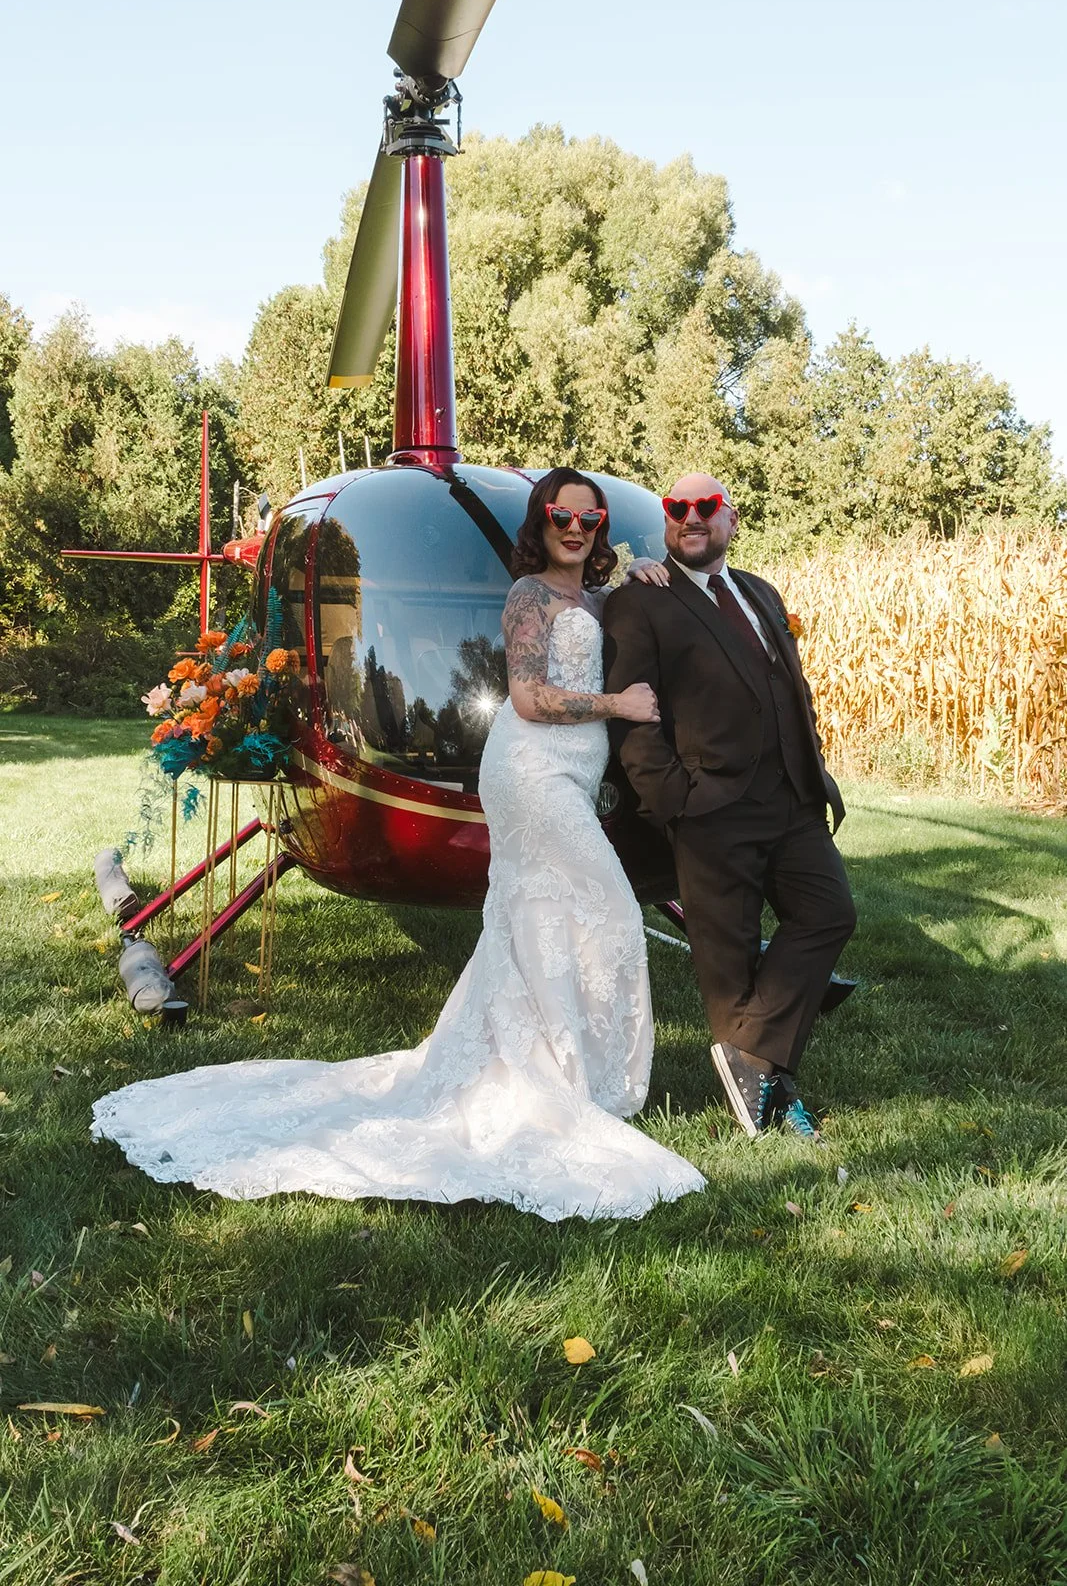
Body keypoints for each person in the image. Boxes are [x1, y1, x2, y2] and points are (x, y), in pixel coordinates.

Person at [92, 469, 706, 1220]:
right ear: (540, 525)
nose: (573, 528)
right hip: (531, 769)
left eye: (589, 517)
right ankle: (571, 1076)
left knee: (540, 916)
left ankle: (551, 1065)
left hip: (574, 775)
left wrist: (653, 570)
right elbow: (526, 697)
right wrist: (617, 703)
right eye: (558, 515)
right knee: (607, 909)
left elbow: (640, 614)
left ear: (602, 526)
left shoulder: (596, 598)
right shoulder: (528, 597)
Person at [602, 472, 855, 1142]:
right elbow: (632, 716)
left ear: (730, 520)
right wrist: (672, 802)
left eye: (704, 508)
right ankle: (773, 1097)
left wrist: (814, 767)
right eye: (677, 508)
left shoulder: (759, 592)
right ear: (666, 522)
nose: (690, 517)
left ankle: (746, 1053)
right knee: (729, 955)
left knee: (829, 913)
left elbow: (786, 688)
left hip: (794, 798)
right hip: (709, 805)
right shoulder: (642, 603)